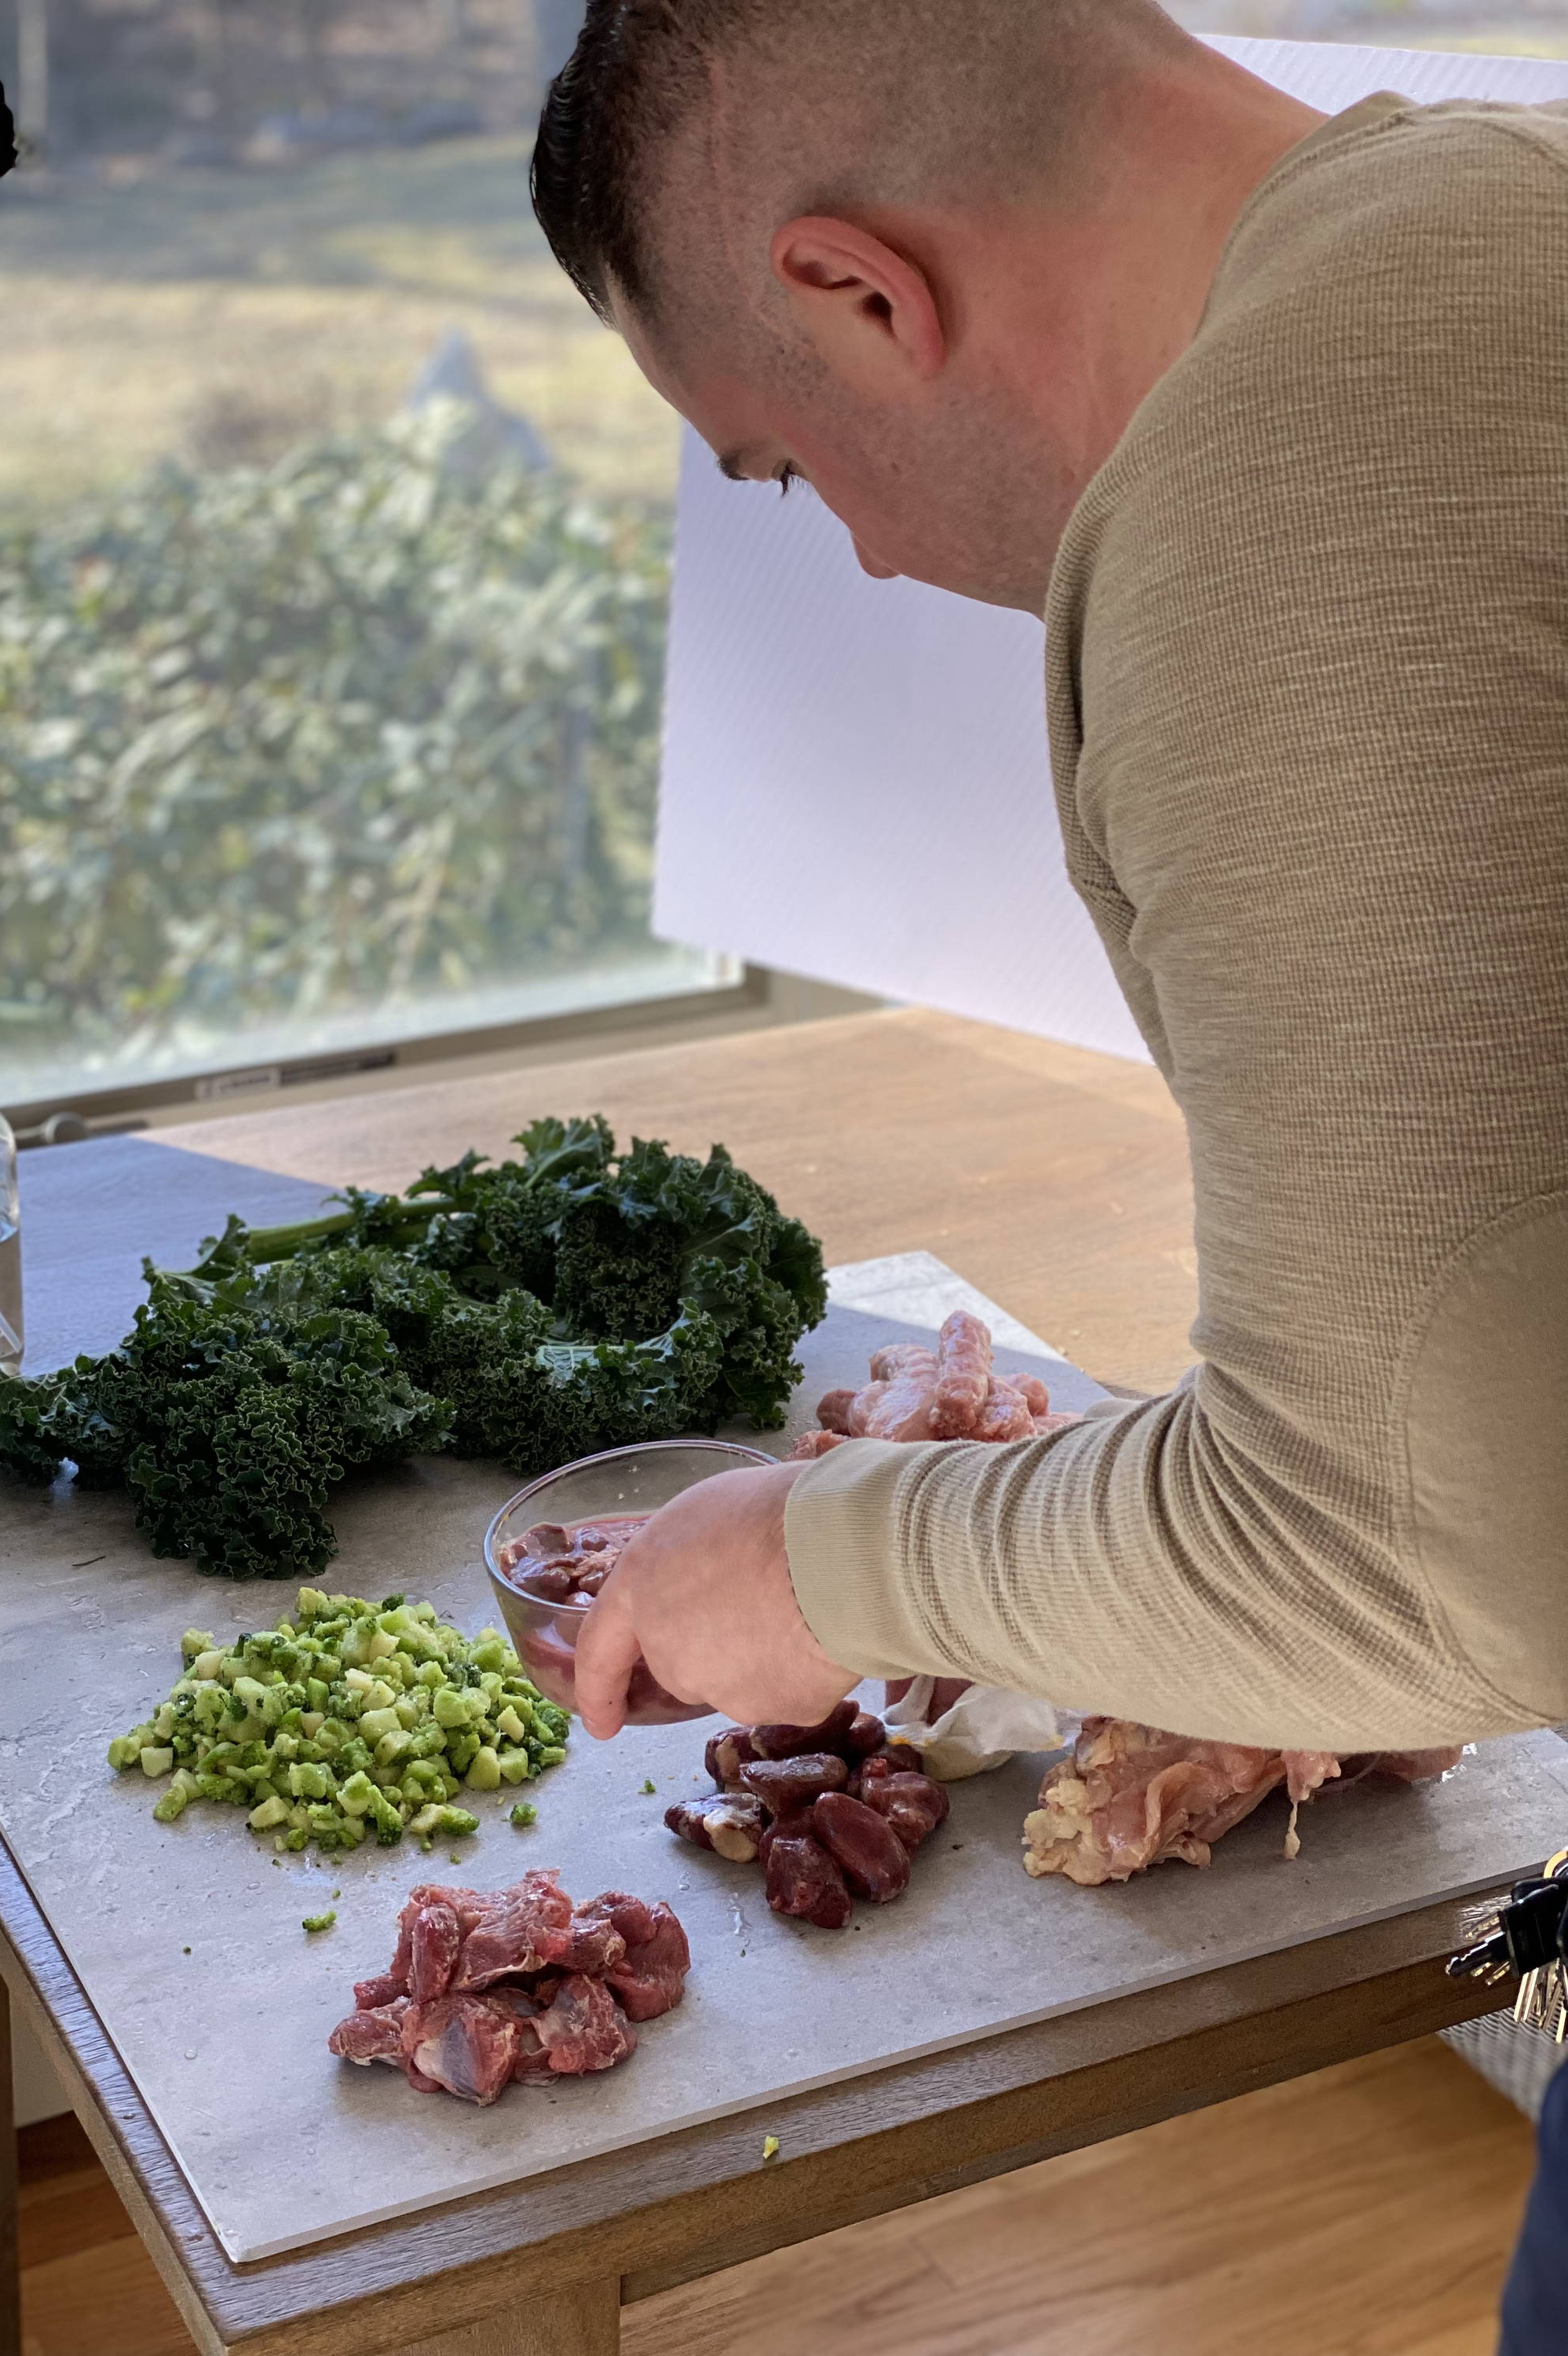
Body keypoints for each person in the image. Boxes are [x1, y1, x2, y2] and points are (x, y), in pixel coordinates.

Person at [529, 1, 1567, 2339]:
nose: (876, 559)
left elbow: (1426, 1559)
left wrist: (815, 1559)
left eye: (787, 471)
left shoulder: (1292, 480)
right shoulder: (1512, 215)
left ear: (859, 290)